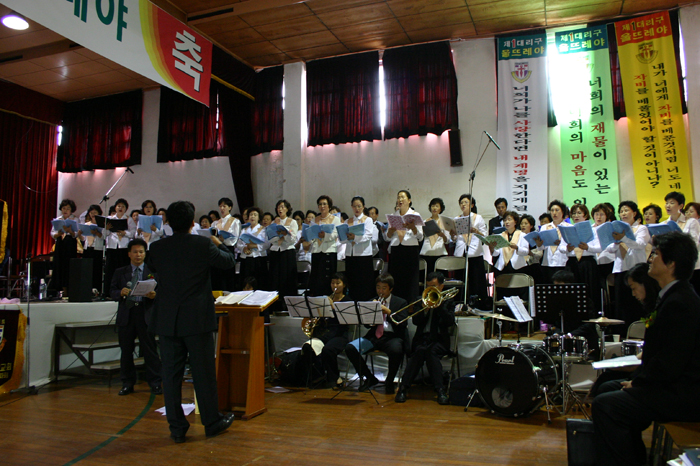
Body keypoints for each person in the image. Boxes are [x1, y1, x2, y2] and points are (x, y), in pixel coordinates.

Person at [592, 231, 700, 466]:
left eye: (656, 254)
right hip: (670, 385)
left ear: (671, 264)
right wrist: (638, 382)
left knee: (606, 406)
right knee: (607, 387)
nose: (650, 258)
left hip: (682, 394)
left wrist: (639, 384)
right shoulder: (673, 296)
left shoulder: (680, 303)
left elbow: (670, 362)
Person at [147, 201, 236, 443]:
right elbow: (228, 262)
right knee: (203, 373)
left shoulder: (157, 247)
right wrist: (217, 241)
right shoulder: (202, 244)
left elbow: (152, 268)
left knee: (170, 375)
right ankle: (211, 422)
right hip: (196, 319)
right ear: (192, 222)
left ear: (168, 222)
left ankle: (176, 427)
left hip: (168, 319)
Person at [589, 262, 660, 398]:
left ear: (645, 284)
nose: (633, 294)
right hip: (645, 368)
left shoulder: (662, 309)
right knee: (605, 378)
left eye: (634, 288)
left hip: (652, 377)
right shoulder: (653, 309)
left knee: (606, 386)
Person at [109, 238, 162, 396]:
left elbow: (163, 292)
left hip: (145, 314)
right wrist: (120, 293)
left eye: (141, 252)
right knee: (126, 350)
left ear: (145, 254)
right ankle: (127, 383)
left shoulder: (153, 272)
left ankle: (155, 383)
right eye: (135, 252)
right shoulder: (120, 272)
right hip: (127, 313)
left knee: (150, 350)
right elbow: (111, 291)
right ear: (129, 254)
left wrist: (155, 295)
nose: (138, 255)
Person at [395, 272, 455, 405]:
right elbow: (415, 321)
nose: (431, 289)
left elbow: (449, 321)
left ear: (441, 286)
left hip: (439, 340)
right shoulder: (421, 299)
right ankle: (403, 389)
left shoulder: (448, 301)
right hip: (422, 339)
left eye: (434, 286)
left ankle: (440, 390)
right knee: (420, 351)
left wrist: (439, 306)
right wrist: (424, 310)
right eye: (428, 286)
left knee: (430, 351)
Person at [345, 273, 408, 395]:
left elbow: (402, 323)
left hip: (392, 336)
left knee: (396, 350)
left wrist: (388, 312)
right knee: (350, 348)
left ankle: (390, 380)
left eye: (384, 288)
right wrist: (371, 316)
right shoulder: (372, 301)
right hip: (374, 336)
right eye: (378, 287)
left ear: (391, 289)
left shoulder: (400, 302)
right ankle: (369, 377)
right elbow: (367, 325)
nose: (380, 291)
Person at [605, 201, 650, 326]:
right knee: (621, 303)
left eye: (626, 210)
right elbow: (609, 248)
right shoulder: (616, 230)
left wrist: (624, 238)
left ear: (634, 213)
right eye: (621, 211)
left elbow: (639, 244)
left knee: (636, 303)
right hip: (620, 269)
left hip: (635, 269)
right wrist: (616, 242)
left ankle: (638, 330)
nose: (623, 213)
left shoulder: (641, 228)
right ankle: (622, 331)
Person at [558, 203, 602, 314]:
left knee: (589, 290)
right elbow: (561, 248)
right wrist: (567, 248)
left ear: (585, 215)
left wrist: (588, 247)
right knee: (572, 291)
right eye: (573, 213)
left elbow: (600, 247)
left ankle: (591, 314)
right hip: (572, 263)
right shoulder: (568, 229)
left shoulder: (593, 230)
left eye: (579, 213)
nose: (576, 216)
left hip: (587, 263)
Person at [314, 273, 351, 389]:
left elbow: (347, 320)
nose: (334, 286)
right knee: (309, 346)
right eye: (332, 283)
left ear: (344, 285)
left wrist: (333, 306)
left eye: (338, 283)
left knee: (328, 349)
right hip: (326, 332)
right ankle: (318, 375)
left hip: (340, 334)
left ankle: (334, 378)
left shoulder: (347, 300)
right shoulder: (327, 299)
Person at [453, 194, 488, 301]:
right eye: (461, 203)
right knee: (460, 279)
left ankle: (478, 302)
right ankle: (460, 302)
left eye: (466, 202)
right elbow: (455, 239)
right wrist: (452, 234)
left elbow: (485, 237)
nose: (463, 204)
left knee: (476, 279)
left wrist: (476, 231)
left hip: (474, 251)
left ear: (472, 205)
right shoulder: (456, 219)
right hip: (461, 252)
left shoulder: (478, 218)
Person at [663, 191, 700, 293]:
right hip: (672, 266)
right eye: (667, 203)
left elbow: (694, 243)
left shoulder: (691, 222)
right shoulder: (663, 224)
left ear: (680, 206)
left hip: (690, 266)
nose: (668, 205)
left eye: (672, 203)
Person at [342, 196, 375, 302]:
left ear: (363, 207)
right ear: (351, 207)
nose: (357, 209)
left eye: (359, 206)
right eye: (354, 206)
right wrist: (344, 236)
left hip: (363, 255)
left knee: (364, 283)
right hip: (350, 255)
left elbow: (368, 236)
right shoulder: (347, 221)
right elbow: (342, 239)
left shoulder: (368, 220)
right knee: (352, 283)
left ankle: (364, 305)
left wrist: (355, 237)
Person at [308, 195, 341, 297]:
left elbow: (335, 234)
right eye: (320, 204)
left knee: (328, 279)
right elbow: (311, 236)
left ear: (329, 206)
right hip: (317, 251)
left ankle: (329, 299)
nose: (322, 206)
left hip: (329, 251)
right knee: (316, 278)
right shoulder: (314, 220)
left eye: (324, 204)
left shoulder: (335, 219)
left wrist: (325, 235)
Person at [268, 199, 298, 308]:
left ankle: (289, 305)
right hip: (276, 251)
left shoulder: (292, 222)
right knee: (275, 278)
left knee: (287, 278)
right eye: (278, 207)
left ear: (287, 209)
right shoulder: (274, 222)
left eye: (282, 207)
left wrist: (285, 234)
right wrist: (278, 236)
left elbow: (293, 239)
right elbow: (270, 239)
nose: (280, 209)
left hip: (287, 252)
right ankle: (276, 305)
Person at [104, 198, 136, 295]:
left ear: (126, 209)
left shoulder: (129, 219)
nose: (120, 208)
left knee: (123, 270)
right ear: (115, 208)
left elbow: (133, 233)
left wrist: (124, 233)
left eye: (123, 206)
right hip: (112, 247)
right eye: (119, 206)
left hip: (123, 247)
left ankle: (123, 291)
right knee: (110, 270)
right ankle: (108, 292)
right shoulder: (110, 219)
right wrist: (106, 229)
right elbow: (104, 234)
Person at [50, 199, 79, 295]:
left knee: (68, 266)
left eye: (68, 208)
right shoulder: (58, 219)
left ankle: (69, 290)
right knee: (59, 265)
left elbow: (77, 233)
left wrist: (70, 231)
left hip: (70, 243)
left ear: (71, 210)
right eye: (64, 208)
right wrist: (57, 234)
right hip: (60, 243)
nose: (65, 210)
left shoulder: (75, 219)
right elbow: (52, 233)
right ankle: (60, 289)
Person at [211, 197, 241, 291]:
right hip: (217, 249)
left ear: (230, 207)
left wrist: (223, 240)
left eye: (224, 206)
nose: (222, 208)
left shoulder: (235, 221)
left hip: (228, 249)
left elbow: (235, 239)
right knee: (218, 275)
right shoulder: (215, 223)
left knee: (228, 275)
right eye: (220, 206)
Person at [535, 200, 568, 283]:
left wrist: (561, 244)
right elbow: (542, 247)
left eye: (557, 210)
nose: (554, 213)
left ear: (563, 212)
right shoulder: (545, 227)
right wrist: (539, 245)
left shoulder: (568, 227)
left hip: (563, 262)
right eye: (552, 210)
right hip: (548, 262)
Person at [236, 207, 268, 292]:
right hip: (246, 259)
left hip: (258, 259)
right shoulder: (244, 230)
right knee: (245, 281)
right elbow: (238, 243)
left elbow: (267, 244)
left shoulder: (263, 230)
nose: (252, 216)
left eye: (255, 215)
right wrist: (244, 248)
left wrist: (254, 246)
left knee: (259, 282)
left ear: (259, 217)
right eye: (250, 215)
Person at [490, 210, 529, 276]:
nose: (507, 222)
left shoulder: (522, 235)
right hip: (502, 266)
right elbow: (497, 253)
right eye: (505, 220)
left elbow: (526, 251)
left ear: (515, 221)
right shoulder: (501, 235)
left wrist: (517, 248)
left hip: (517, 266)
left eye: (509, 219)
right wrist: (492, 248)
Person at [419, 198, 451, 276]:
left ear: (441, 209)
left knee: (440, 277)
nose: (434, 208)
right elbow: (420, 237)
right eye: (433, 206)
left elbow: (447, 240)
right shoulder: (424, 222)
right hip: (426, 252)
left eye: (437, 206)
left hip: (440, 252)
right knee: (427, 277)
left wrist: (442, 235)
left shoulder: (444, 222)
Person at [81, 204, 105, 292]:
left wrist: (97, 233)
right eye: (91, 212)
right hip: (88, 248)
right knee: (87, 270)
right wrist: (79, 234)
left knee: (96, 270)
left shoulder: (102, 225)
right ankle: (86, 289)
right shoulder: (86, 224)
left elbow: (104, 237)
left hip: (97, 249)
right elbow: (83, 239)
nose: (93, 214)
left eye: (95, 212)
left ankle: (97, 289)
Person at [519, 214, 544, 284]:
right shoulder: (518, 237)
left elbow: (539, 254)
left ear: (531, 226)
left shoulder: (536, 237)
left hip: (533, 267)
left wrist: (531, 253)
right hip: (521, 266)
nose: (523, 226)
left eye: (526, 223)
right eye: (521, 224)